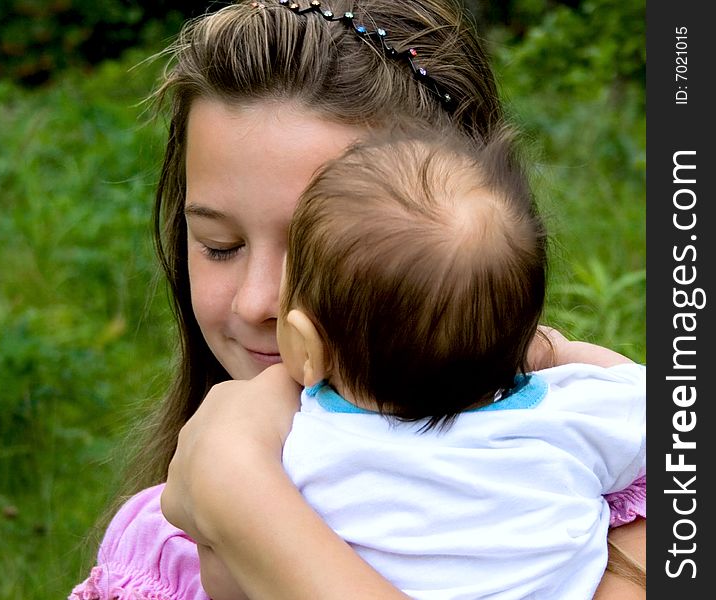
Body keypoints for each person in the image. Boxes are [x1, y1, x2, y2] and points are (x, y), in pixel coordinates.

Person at [69, 1, 646, 598]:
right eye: (219, 245)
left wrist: (238, 495)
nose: (257, 301)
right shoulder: (158, 555)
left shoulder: (634, 518)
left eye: (313, 253)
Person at [191, 130, 645, 600]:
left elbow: (227, 575)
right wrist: (562, 351)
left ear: (306, 346)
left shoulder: (299, 452)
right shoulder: (569, 419)